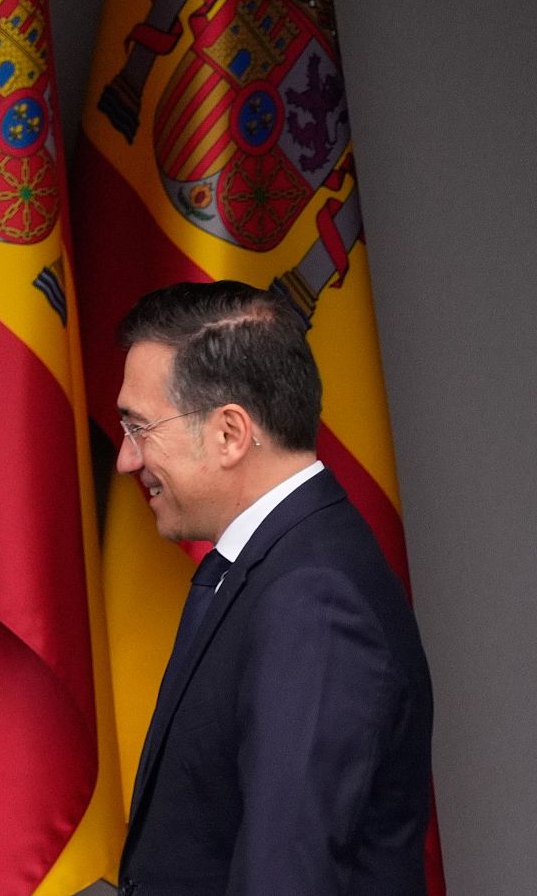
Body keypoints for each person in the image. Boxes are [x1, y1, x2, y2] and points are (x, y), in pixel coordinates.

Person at [112, 280, 433, 894]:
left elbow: (287, 873)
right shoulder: (281, 567)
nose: (128, 460)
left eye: (140, 428)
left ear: (230, 434)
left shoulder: (313, 598)